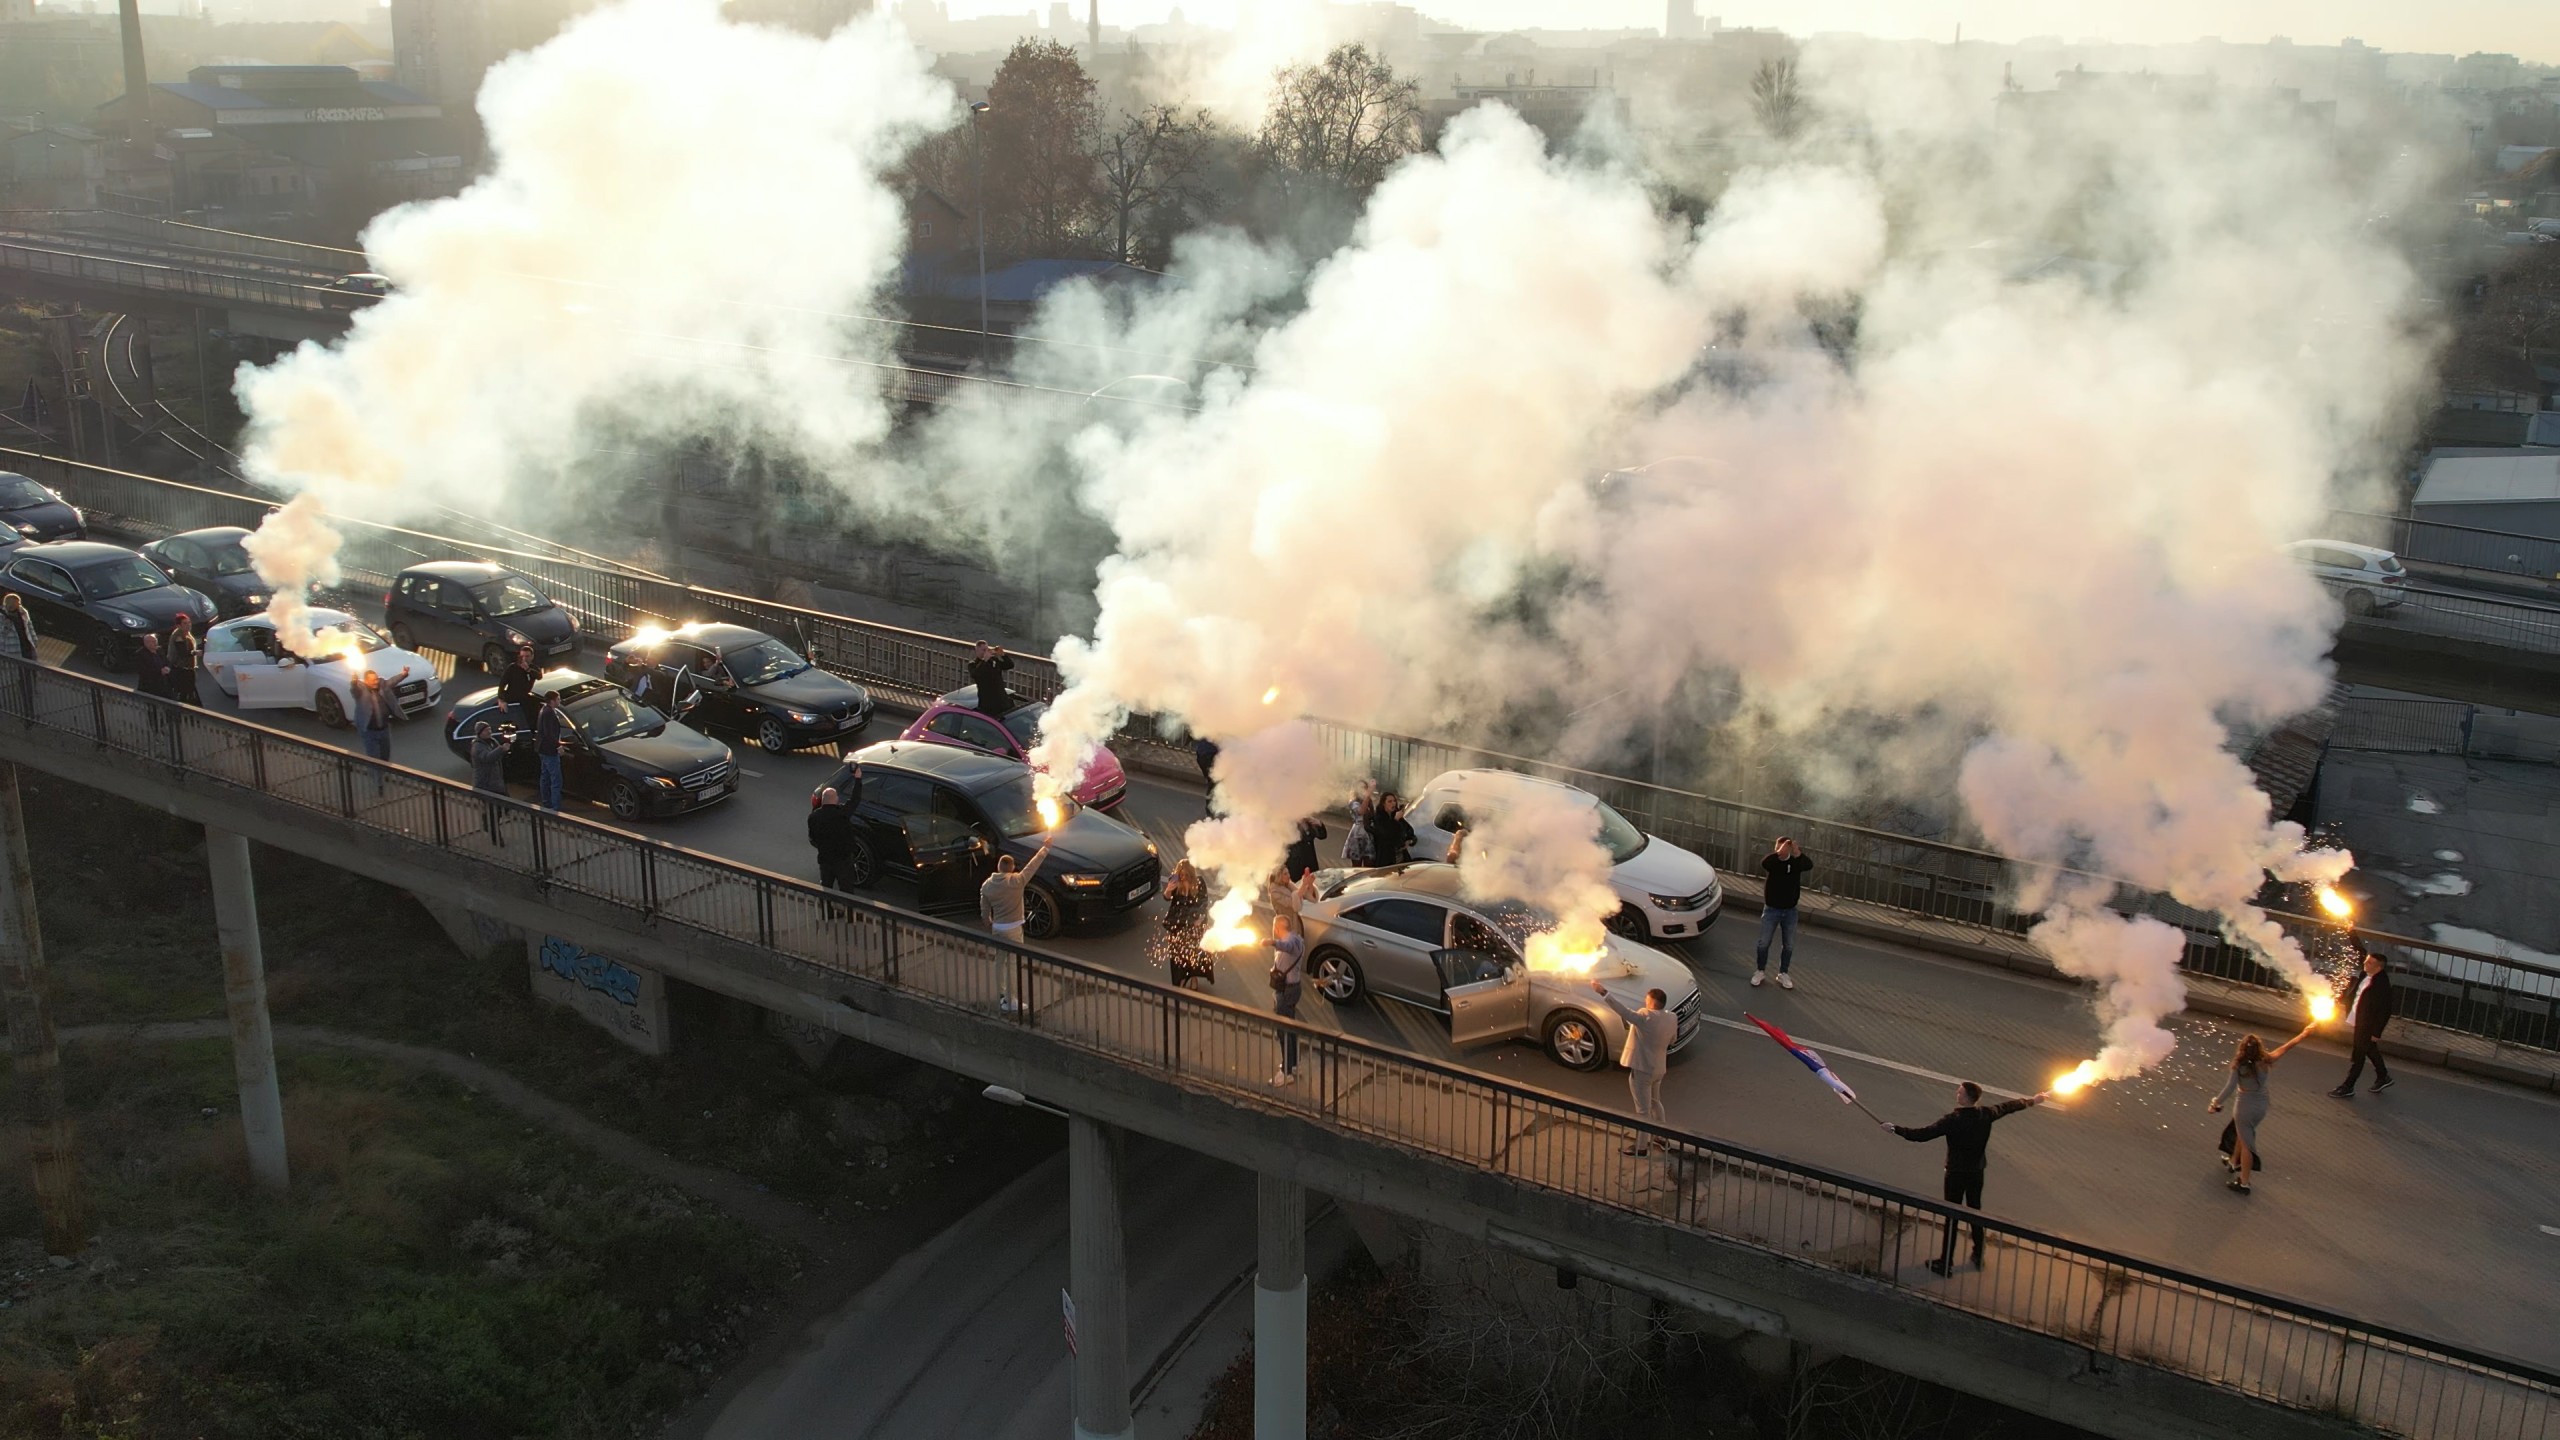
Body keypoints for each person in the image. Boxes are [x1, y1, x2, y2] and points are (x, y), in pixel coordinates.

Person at [1885, 1081, 2050, 1274]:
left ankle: (1945, 1262)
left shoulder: (1953, 1120)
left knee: (1952, 1216)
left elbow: (1922, 1135)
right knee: (1975, 1213)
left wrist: (1896, 1129)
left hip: (1955, 1174)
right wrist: (2033, 1100)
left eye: (1960, 1091)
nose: (1957, 1093)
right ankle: (1978, 1255)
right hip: (1976, 1172)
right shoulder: (1986, 1114)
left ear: (1966, 1097)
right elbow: (2009, 1107)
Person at [2215, 1021, 2318, 1194]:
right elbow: (2288, 1046)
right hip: (2261, 1105)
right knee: (2243, 1134)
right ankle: (2234, 1162)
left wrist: (2215, 1103)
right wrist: (2305, 1033)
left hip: (2244, 1107)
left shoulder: (2239, 1066)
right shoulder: (2266, 1060)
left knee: (2247, 1145)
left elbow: (2229, 1088)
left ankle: (2244, 1183)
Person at [1591, 981, 1677, 1154]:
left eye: (1647, 999)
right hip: (1659, 1068)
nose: (1644, 1002)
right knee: (1655, 1102)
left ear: (1652, 1003)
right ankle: (1661, 1137)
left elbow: (1622, 1010)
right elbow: (1672, 1040)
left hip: (1643, 1069)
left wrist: (1603, 992)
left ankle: (1641, 1148)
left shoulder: (1645, 1016)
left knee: (1642, 1111)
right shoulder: (1671, 1017)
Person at [2330, 953, 2396, 1098]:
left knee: (2358, 1056)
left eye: (2370, 963)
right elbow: (2359, 950)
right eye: (2366, 961)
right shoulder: (2365, 974)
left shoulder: (2382, 985)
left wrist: (2376, 1032)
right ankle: (2383, 1076)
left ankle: (2348, 1087)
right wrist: (2351, 932)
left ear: (2378, 967)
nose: (2365, 964)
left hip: (2367, 1025)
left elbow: (2385, 1011)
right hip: (2358, 1020)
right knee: (2370, 1049)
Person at [1752, 837, 1813, 990]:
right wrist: (1779, 852)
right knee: (1764, 942)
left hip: (1790, 911)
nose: (1783, 851)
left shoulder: (1795, 863)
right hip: (1772, 909)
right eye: (1779, 848)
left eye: (1786, 848)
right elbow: (1764, 863)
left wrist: (1798, 852)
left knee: (1789, 945)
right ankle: (1760, 970)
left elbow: (1808, 865)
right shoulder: (1773, 862)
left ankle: (1783, 973)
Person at [979, 840, 1054, 941]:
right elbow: (1032, 866)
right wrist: (1045, 848)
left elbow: (984, 909)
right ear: (1012, 867)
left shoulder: (986, 886)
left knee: (1001, 954)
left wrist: (988, 922)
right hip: (1014, 927)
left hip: (997, 927)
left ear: (998, 867)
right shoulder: (1017, 881)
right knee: (1015, 954)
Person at [1155, 859, 1213, 987]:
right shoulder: (1174, 881)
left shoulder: (1199, 882)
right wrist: (1169, 889)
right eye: (1181, 875)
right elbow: (1167, 898)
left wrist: (1199, 918)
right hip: (1178, 922)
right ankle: (1180, 979)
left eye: (1186, 875)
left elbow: (1203, 902)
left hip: (1194, 923)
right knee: (1178, 955)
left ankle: (1193, 977)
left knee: (1194, 953)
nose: (1183, 877)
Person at [1269, 912, 1306, 1086]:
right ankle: (1293, 1063)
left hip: (1287, 992)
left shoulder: (1290, 943)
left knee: (1283, 1031)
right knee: (1290, 1029)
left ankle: (1286, 1073)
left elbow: (1288, 947)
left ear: (1278, 928)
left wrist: (1272, 942)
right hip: (1289, 990)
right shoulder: (1297, 938)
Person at [807, 786, 855, 890]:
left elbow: (812, 838)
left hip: (825, 859)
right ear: (836, 800)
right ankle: (847, 906)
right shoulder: (842, 814)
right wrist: (858, 779)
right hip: (843, 860)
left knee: (826, 887)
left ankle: (826, 905)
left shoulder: (814, 817)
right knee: (846, 888)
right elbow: (855, 799)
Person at [469, 720, 509, 843]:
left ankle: (487, 821)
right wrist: (501, 749)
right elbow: (487, 758)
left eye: (490, 729)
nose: (490, 732)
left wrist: (502, 750)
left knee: (505, 805)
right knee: (494, 812)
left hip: (496, 783)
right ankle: (496, 836)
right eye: (487, 730)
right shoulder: (477, 747)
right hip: (485, 784)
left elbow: (496, 756)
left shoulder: (492, 742)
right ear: (480, 733)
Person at [0, 592, 37, 715]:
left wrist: (34, 640)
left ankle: (28, 708)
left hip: (26, 650)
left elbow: (29, 626)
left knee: (26, 679)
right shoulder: (2, 617)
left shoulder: (23, 612)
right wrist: (6, 623)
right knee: (12, 678)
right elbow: (2, 635)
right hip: (12, 652)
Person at [535, 689, 568, 812]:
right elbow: (550, 733)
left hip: (542, 749)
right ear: (552, 701)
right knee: (555, 779)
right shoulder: (549, 713)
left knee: (545, 776)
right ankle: (555, 806)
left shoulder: (544, 710)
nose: (560, 701)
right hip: (549, 751)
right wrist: (558, 746)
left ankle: (546, 802)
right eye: (558, 699)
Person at [1366, 792, 1415, 866]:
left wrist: (1410, 841)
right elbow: (1386, 834)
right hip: (1387, 857)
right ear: (1383, 804)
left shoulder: (1396, 815)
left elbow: (1410, 831)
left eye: (1394, 801)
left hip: (1401, 856)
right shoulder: (1379, 818)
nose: (1393, 803)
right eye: (1389, 801)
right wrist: (1395, 820)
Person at [500, 644, 541, 731]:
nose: (524, 659)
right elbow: (502, 684)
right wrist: (501, 700)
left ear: (532, 657)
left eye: (527, 656)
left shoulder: (533, 668)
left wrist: (527, 669)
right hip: (511, 698)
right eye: (522, 656)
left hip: (525, 699)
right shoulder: (512, 668)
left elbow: (539, 676)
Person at [967, 641, 1014, 716]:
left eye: (987, 649)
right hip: (988, 702)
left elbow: (1009, 665)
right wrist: (984, 660)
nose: (986, 652)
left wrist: (1003, 655)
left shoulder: (993, 660)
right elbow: (975, 674)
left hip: (1001, 698)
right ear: (977, 650)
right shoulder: (973, 664)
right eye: (983, 650)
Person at [163, 615, 201, 706]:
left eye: (189, 622)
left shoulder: (186, 633)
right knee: (184, 693)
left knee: (189, 692)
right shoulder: (178, 636)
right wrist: (195, 653)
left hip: (188, 669)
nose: (188, 625)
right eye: (185, 623)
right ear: (178, 625)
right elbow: (182, 653)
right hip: (181, 670)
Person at [1342, 780, 1376, 866]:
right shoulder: (1353, 802)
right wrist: (1368, 796)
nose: (1363, 790)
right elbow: (1361, 811)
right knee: (1357, 865)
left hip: (1368, 833)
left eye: (1365, 788)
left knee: (1369, 863)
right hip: (1358, 834)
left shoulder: (1368, 801)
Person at [1284, 816, 1329, 881]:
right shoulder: (1287, 823)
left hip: (1310, 862)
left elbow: (1322, 835)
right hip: (1295, 865)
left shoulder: (1308, 822)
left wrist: (1319, 824)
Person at [132, 633, 170, 698]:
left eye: (155, 641)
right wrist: (159, 671)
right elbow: (143, 671)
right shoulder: (140, 654)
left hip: (163, 684)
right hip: (150, 686)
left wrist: (167, 667)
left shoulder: (159, 650)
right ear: (146, 643)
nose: (155, 643)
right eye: (152, 642)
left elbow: (166, 661)